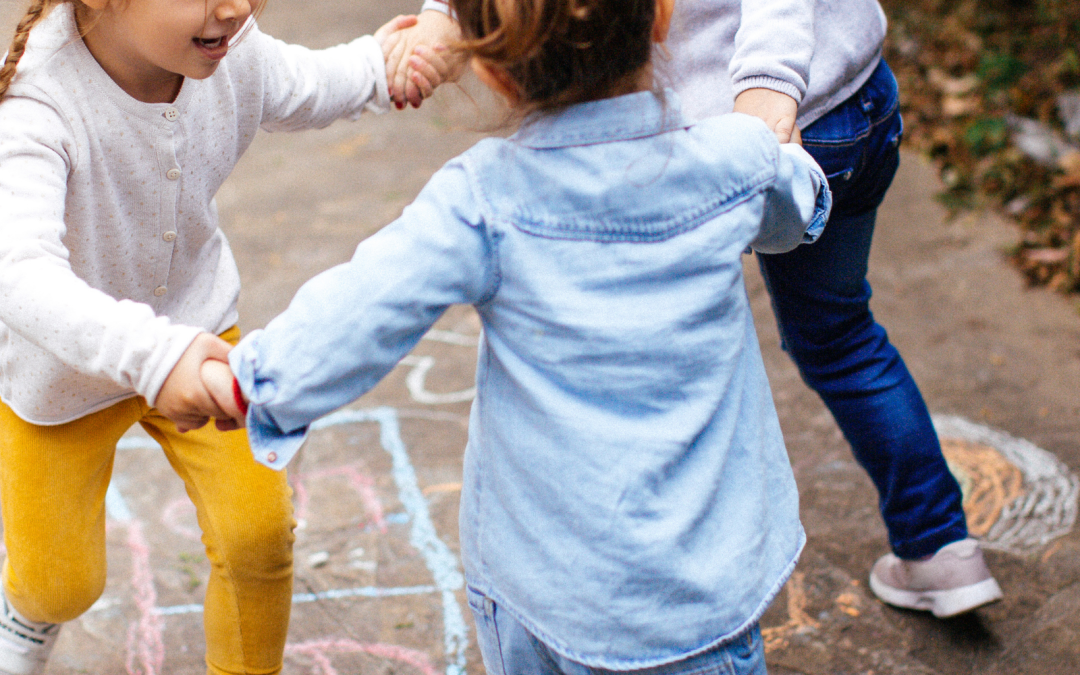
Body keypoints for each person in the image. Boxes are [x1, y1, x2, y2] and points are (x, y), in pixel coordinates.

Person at [195, 0, 831, 670]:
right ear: (663, 18)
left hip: (543, 589)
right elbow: (797, 205)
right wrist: (784, 165)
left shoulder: (482, 199)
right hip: (702, 596)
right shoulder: (734, 160)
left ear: (493, 72)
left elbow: (362, 307)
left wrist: (252, 383)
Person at [384, 0, 1005, 618]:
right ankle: (939, 550)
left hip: (757, 124)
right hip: (854, 98)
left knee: (660, 343)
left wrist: (768, 88)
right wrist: (446, 13)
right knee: (840, 336)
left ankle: (662, 585)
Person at [0, 0, 442, 672]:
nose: (235, 7)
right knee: (57, 583)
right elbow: (19, 271)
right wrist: (155, 356)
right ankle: (24, 612)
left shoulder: (228, 50)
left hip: (197, 330)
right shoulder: (40, 104)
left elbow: (310, 83)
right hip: (64, 373)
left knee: (258, 535)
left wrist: (385, 66)